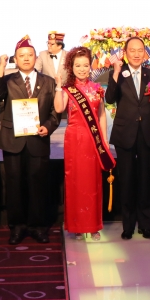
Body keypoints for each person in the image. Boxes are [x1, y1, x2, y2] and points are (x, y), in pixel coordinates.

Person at [0, 35, 60, 245]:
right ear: (15, 58)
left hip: (38, 140)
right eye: (21, 55)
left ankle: (38, 227)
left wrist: (48, 126)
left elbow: (55, 112)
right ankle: (17, 227)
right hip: (13, 140)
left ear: (36, 57)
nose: (26, 58)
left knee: (38, 185)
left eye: (30, 55)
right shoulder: (7, 80)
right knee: (14, 186)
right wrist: (1, 67)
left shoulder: (48, 81)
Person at [106, 37, 150, 240]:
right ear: (125, 53)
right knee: (127, 180)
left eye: (140, 50)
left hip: (147, 132)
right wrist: (115, 73)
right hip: (125, 133)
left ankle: (145, 225)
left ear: (145, 53)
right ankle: (128, 225)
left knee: (145, 180)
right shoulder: (118, 73)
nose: (137, 54)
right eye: (132, 50)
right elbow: (109, 99)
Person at [53, 46, 115, 241]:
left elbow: (101, 115)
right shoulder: (67, 89)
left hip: (92, 140)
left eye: (85, 65)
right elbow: (59, 108)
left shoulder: (97, 89)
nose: (82, 69)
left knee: (93, 182)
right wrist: (58, 86)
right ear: (71, 67)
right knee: (75, 181)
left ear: (90, 67)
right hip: (74, 139)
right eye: (77, 65)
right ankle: (77, 226)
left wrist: (104, 139)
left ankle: (93, 225)